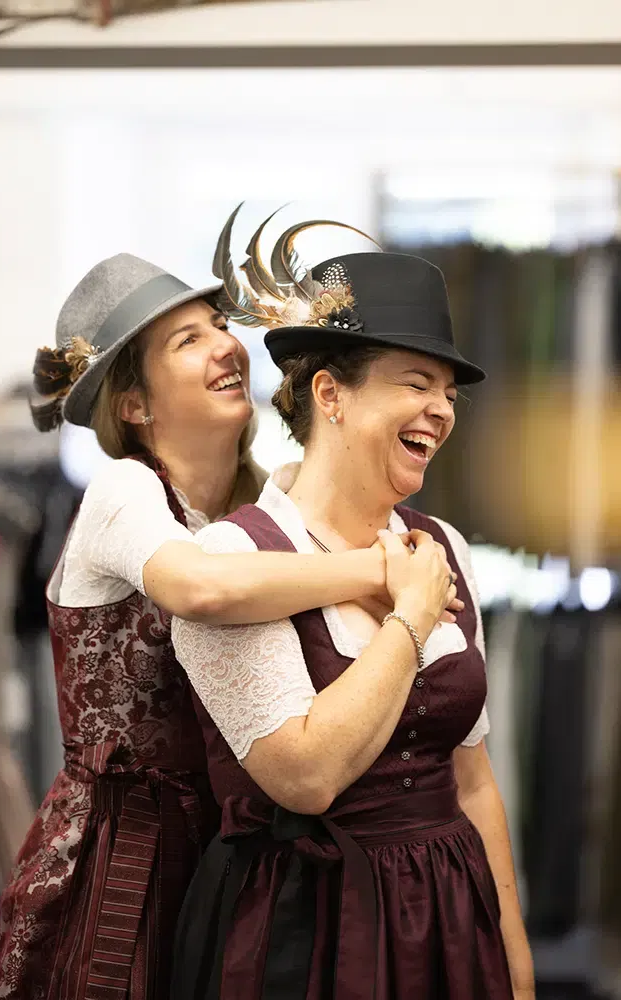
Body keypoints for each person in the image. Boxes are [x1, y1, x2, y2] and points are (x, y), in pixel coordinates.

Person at [0, 252, 459, 1000]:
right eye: (188, 340)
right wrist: (385, 578)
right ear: (133, 405)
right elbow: (199, 587)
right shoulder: (123, 490)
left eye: (218, 325)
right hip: (124, 857)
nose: (227, 346)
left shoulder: (257, 512)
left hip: (232, 854)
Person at [170, 229, 535, 999]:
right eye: (416, 383)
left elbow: (472, 780)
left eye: (448, 393)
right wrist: (409, 617)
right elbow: (305, 777)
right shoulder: (235, 561)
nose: (440, 410)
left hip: (449, 916)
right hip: (306, 931)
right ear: (330, 394)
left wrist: (513, 961)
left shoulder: (442, 544)